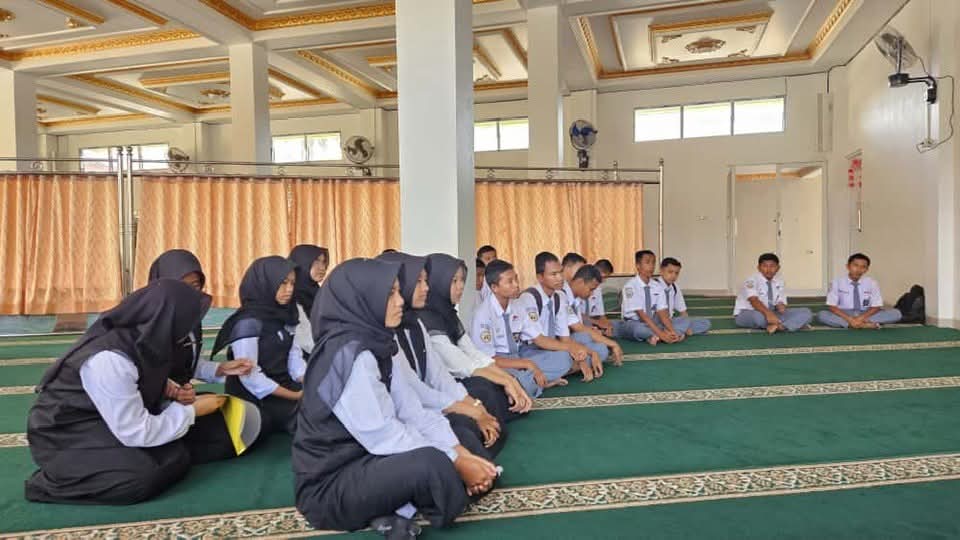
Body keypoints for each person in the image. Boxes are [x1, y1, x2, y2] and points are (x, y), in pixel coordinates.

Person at [293, 258, 498, 538]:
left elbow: (413, 411)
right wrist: (456, 461)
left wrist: (461, 453)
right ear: (363, 299)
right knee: (431, 464)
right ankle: (414, 500)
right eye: (390, 294)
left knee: (460, 434)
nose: (401, 301)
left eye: (399, 292)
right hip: (332, 483)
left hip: (371, 459)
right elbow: (383, 434)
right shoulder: (347, 355)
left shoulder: (381, 342)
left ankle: (396, 508)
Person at [26, 280, 231, 505]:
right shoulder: (110, 359)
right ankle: (52, 483)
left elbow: (139, 378)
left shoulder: (146, 339)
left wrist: (167, 388)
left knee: (193, 445)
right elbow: (134, 431)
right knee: (141, 478)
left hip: (108, 420)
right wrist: (192, 411)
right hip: (69, 434)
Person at [377, 252, 507, 459]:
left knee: (475, 410)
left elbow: (438, 376)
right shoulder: (387, 333)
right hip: (403, 418)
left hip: (424, 405)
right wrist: (472, 409)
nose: (426, 288)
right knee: (463, 430)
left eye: (426, 281)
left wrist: (475, 407)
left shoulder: (415, 323)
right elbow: (413, 394)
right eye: (418, 282)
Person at [418, 253, 533, 416]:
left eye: (462, 280)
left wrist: (509, 380)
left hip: (462, 374)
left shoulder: (448, 314)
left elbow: (472, 352)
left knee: (497, 384)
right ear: (437, 282)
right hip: (441, 386)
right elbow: (461, 364)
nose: (461, 286)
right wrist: (506, 380)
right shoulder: (427, 318)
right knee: (484, 389)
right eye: (454, 281)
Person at [212, 256, 305, 435]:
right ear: (265, 283)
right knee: (310, 417)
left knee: (326, 403)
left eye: (292, 283)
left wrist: (306, 382)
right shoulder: (248, 322)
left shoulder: (285, 314)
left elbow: (294, 357)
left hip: (283, 384)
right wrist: (295, 396)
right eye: (283, 283)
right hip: (257, 395)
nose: (289, 289)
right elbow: (251, 378)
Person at [147, 249, 254, 399]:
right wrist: (172, 392)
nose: (188, 292)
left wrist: (221, 369)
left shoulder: (191, 320)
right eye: (180, 285)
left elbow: (188, 364)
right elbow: (139, 375)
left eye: (195, 285)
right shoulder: (146, 324)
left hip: (182, 399)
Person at [470, 259, 573, 397]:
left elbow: (538, 338)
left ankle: (530, 382)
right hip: (497, 363)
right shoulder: (482, 314)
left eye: (516, 279)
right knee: (519, 380)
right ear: (494, 287)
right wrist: (528, 364)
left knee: (564, 358)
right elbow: (488, 360)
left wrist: (572, 348)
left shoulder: (518, 305)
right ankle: (533, 382)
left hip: (519, 356)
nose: (516, 285)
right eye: (510, 282)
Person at [516, 252, 600, 381]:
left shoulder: (559, 296)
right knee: (565, 358)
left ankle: (549, 374)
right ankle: (533, 377)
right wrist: (575, 351)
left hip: (552, 347)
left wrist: (585, 353)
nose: (560, 278)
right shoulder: (529, 298)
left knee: (594, 350)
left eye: (561, 272)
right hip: (531, 350)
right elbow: (540, 340)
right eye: (553, 274)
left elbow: (564, 338)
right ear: (540, 277)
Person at [733, 253, 813, 333]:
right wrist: (768, 314)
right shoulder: (751, 281)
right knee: (759, 318)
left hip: (772, 313)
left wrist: (780, 306)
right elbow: (754, 301)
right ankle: (789, 324)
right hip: (748, 313)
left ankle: (780, 326)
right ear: (759, 268)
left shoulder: (779, 281)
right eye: (765, 266)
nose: (768, 269)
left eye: (772, 266)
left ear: (778, 268)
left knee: (806, 312)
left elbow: (780, 301)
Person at [618, 250, 686, 345]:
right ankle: (661, 335)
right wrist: (662, 334)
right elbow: (642, 316)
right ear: (638, 265)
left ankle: (659, 335)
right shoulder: (630, 287)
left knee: (684, 320)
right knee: (638, 329)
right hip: (634, 322)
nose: (651, 266)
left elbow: (663, 313)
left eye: (653, 263)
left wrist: (672, 331)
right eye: (647, 262)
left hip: (654, 322)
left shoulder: (657, 286)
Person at [563, 262, 624, 366]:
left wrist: (593, 331)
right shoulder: (561, 296)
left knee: (599, 347)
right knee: (598, 347)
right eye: (591, 289)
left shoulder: (576, 300)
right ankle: (571, 365)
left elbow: (579, 326)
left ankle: (575, 362)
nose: (591, 294)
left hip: (572, 337)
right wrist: (612, 343)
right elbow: (578, 328)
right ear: (580, 282)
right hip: (559, 342)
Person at [818, 253, 902, 328]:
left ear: (867, 269)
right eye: (855, 265)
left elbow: (876, 306)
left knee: (896, 314)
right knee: (822, 315)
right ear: (848, 266)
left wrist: (861, 318)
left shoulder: (872, 283)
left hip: (866, 313)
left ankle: (851, 324)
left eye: (863, 267)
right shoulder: (836, 282)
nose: (859, 269)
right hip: (844, 313)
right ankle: (862, 325)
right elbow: (832, 307)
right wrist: (849, 319)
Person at [289, 244, 330, 355]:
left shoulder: (318, 292)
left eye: (324, 262)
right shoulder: (289, 295)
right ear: (302, 262)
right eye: (316, 261)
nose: (322, 268)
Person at [656, 257, 711, 336]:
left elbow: (683, 311)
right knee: (643, 328)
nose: (673, 276)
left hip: (671, 321)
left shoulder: (674, 287)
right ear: (661, 271)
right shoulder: (653, 286)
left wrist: (687, 326)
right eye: (670, 272)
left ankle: (672, 333)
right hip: (657, 322)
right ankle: (675, 333)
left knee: (705, 323)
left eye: (676, 273)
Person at [587, 259, 615, 336]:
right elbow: (578, 316)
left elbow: (601, 314)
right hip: (580, 323)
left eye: (606, 278)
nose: (603, 280)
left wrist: (607, 325)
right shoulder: (581, 286)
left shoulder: (598, 289)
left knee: (614, 325)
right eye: (603, 277)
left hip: (593, 321)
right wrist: (598, 323)